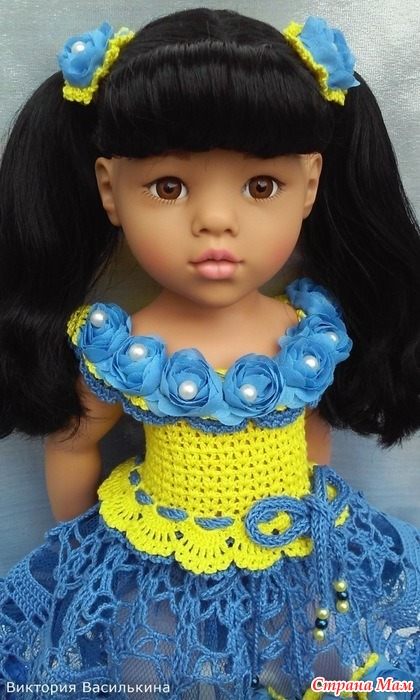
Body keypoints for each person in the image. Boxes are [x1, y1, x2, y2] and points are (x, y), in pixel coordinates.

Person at [0, 9, 418, 699]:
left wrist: (315, 515)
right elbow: (74, 443)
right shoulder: (123, 348)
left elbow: (312, 435)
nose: (216, 221)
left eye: (262, 186)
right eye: (169, 187)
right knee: (150, 666)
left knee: (324, 665)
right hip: (161, 554)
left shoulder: (307, 333)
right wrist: (79, 557)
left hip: (298, 547)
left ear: (310, 185)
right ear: (109, 189)